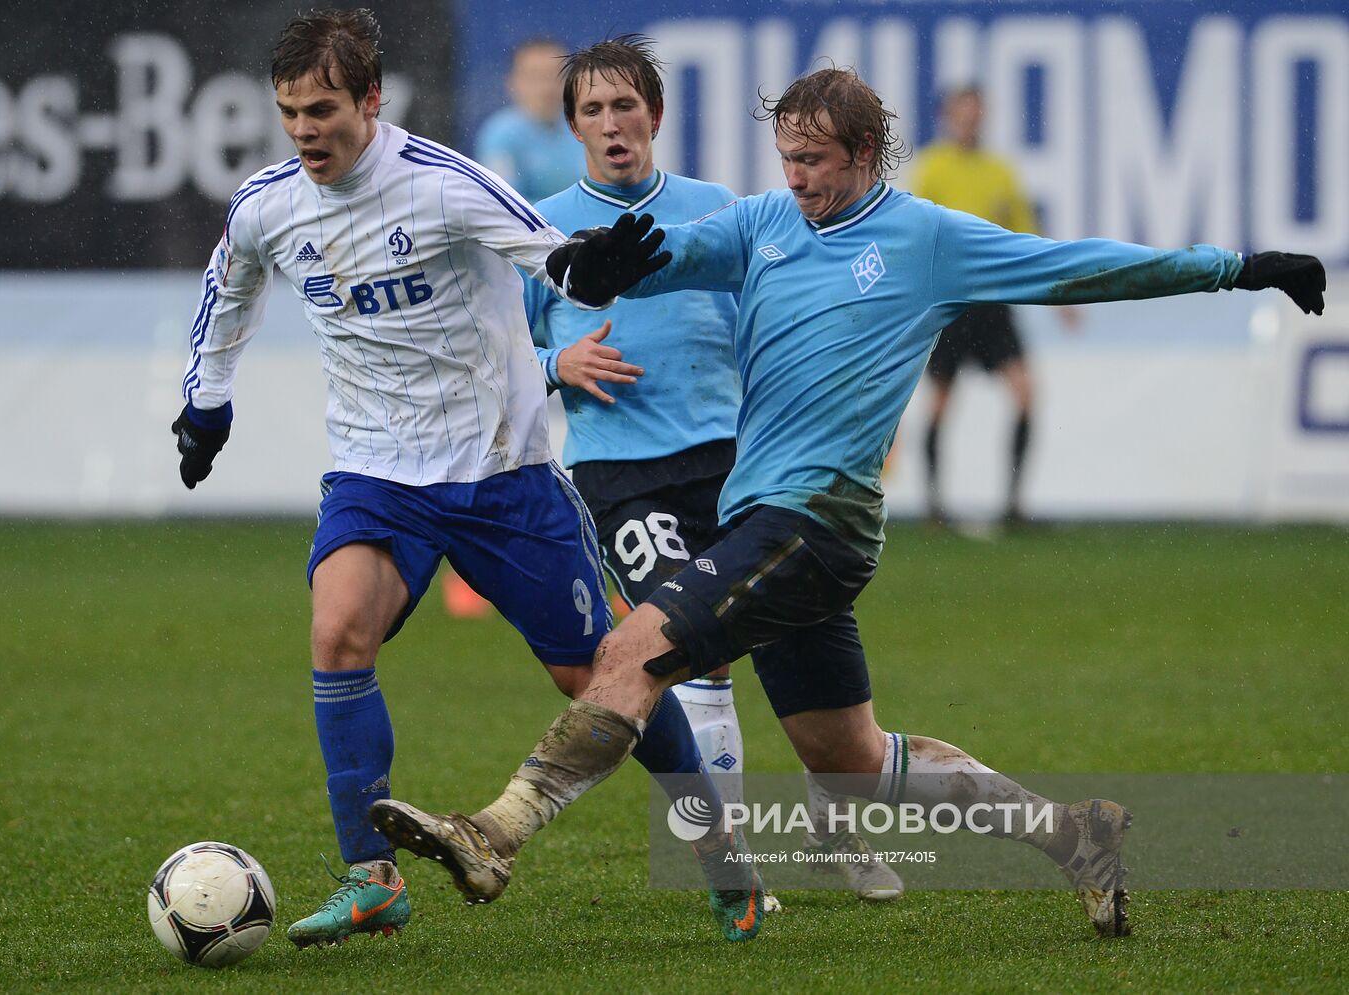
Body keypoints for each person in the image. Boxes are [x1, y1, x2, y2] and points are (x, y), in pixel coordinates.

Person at [371, 65, 1325, 942]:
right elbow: (679, 251)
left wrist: (1237, 267)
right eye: (785, 157)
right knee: (852, 756)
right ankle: (1076, 835)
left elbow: (1081, 265)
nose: (796, 177)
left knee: (628, 651)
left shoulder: (928, 239)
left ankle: (495, 831)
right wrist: (610, 264)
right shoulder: (763, 224)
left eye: (815, 161)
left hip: (818, 521)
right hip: (768, 521)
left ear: (866, 156)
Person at [169, 8, 720, 949]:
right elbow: (231, 287)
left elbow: (551, 255)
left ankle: (718, 844)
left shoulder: (444, 186)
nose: (305, 130)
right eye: (290, 111)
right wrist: (208, 397)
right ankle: (370, 877)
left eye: (324, 109)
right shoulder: (269, 203)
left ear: (372, 100)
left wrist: (590, 268)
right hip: (375, 472)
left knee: (596, 675)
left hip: (501, 473)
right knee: (338, 630)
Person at [523, 34, 901, 904]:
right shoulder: (537, 229)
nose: (612, 124)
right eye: (592, 110)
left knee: (807, 662)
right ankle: (735, 868)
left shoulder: (720, 210)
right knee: (694, 660)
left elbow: (782, 321)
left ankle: (834, 815)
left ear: (655, 116)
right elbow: (497, 352)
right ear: (572, 124)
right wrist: (555, 365)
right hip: (625, 478)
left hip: (742, 468)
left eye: (627, 107)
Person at [910, 85, 1078, 526]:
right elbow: (913, 236)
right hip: (951, 302)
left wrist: (1060, 294)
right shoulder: (932, 169)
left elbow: (1025, 235)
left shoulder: (1000, 172)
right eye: (962, 112)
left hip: (993, 303)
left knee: (1025, 393)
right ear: (948, 116)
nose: (970, 120)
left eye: (976, 112)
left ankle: (1014, 505)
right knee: (942, 402)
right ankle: (932, 505)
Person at [475, 38, 587, 203]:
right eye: (534, 77)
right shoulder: (500, 133)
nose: (546, 87)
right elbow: (504, 203)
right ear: (513, 83)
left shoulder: (585, 126)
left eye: (555, 75)